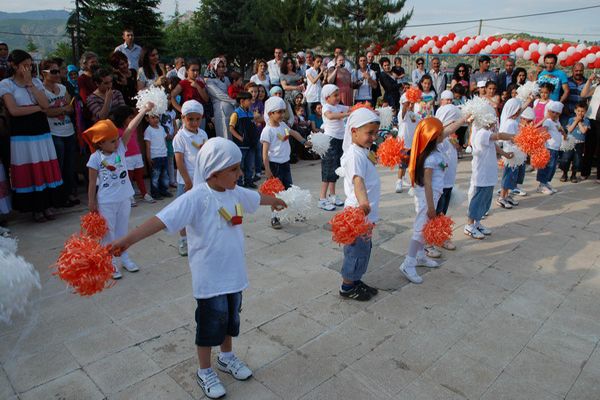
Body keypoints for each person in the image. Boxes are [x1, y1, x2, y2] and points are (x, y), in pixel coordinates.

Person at [110, 137, 286, 399]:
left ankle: (226, 357)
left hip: (234, 275)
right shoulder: (195, 198)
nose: (240, 173)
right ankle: (204, 370)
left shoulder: (234, 192)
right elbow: (160, 221)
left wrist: (274, 200)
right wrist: (126, 241)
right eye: (234, 169)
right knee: (208, 327)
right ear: (214, 172)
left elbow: (255, 197)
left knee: (230, 321)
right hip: (210, 280)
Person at [84, 103, 153, 278]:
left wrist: (144, 110)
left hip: (124, 198)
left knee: (122, 232)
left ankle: (124, 257)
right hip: (106, 201)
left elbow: (131, 127)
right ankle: (110, 262)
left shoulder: (120, 148)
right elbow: (92, 182)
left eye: (117, 139)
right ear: (100, 142)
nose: (117, 142)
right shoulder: (95, 158)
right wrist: (91, 201)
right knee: (109, 233)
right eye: (112, 140)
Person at [0, 50, 63, 222]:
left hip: (40, 130)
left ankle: (48, 204)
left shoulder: (35, 82)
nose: (28, 69)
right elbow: (14, 110)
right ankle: (35, 208)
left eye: (29, 65)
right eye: (24, 65)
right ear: (14, 65)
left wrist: (30, 84)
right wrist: (38, 109)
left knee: (43, 164)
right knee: (29, 165)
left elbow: (45, 104)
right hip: (22, 132)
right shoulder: (6, 84)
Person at [338, 107, 381, 301]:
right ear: (353, 131)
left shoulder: (363, 151)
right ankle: (347, 286)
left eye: (375, 133)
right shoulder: (355, 154)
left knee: (364, 249)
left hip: (365, 214)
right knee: (356, 251)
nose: (373, 137)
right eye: (369, 133)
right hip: (358, 213)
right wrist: (364, 203)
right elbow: (357, 181)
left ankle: (355, 280)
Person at [399, 118, 447, 283]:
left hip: (433, 195)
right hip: (428, 197)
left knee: (424, 228)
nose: (443, 134)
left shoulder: (435, 152)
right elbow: (427, 183)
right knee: (420, 230)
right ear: (433, 137)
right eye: (440, 132)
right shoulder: (430, 159)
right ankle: (408, 263)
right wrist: (431, 207)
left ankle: (420, 256)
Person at [464, 107, 516, 240]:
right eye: (493, 122)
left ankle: (477, 223)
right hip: (481, 173)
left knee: (485, 200)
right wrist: (513, 136)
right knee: (478, 199)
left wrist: (504, 154)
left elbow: (494, 144)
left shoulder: (487, 134)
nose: (494, 124)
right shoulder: (482, 133)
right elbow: (498, 136)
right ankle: (469, 225)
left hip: (489, 172)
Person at [260, 96, 309, 229]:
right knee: (276, 193)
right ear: (270, 113)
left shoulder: (282, 125)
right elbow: (264, 153)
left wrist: (304, 141)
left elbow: (293, 133)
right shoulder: (267, 131)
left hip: (285, 163)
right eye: (279, 112)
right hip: (274, 165)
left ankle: (293, 211)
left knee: (289, 189)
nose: (283, 115)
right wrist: (267, 169)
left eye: (283, 111)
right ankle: (275, 217)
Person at [41, 58, 79, 208]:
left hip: (68, 130)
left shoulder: (62, 88)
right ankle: (58, 197)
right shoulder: (41, 90)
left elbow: (70, 108)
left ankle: (68, 194)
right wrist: (61, 109)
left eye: (58, 71)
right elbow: (46, 112)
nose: (58, 74)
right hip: (54, 132)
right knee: (58, 166)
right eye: (54, 71)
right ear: (44, 73)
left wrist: (58, 110)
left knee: (69, 166)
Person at [173, 100, 209, 255]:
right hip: (186, 181)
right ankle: (183, 240)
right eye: (190, 119)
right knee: (184, 210)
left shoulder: (203, 134)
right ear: (183, 118)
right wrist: (187, 180)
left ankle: (199, 238)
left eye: (197, 119)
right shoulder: (180, 137)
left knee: (201, 209)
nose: (194, 122)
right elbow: (179, 161)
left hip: (202, 179)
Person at [434, 100, 465, 252]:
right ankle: (430, 241)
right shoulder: (438, 139)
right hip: (439, 185)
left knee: (442, 212)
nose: (456, 127)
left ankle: (439, 236)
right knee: (437, 213)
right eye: (454, 122)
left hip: (448, 183)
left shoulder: (448, 139)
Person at [111, 106, 154, 205]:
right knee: (128, 178)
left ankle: (144, 193)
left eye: (132, 117)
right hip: (126, 157)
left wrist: (145, 109)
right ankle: (129, 196)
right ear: (122, 118)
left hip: (137, 155)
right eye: (130, 118)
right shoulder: (117, 130)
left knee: (140, 176)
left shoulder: (133, 128)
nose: (132, 120)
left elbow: (136, 122)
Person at [496, 98, 523, 209]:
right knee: (508, 175)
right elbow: (510, 138)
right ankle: (502, 197)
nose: (518, 113)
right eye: (516, 111)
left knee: (513, 176)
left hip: (515, 152)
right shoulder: (510, 123)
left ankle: (507, 196)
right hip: (510, 153)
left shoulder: (513, 122)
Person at [536, 101, 567, 194]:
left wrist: (563, 132)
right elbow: (543, 130)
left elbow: (562, 133)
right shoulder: (548, 121)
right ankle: (542, 184)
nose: (555, 114)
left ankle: (546, 182)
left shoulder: (558, 122)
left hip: (556, 148)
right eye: (553, 112)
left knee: (552, 167)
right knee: (547, 166)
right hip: (548, 147)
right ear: (549, 112)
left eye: (557, 113)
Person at [229, 91, 258, 188]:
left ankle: (249, 181)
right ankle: (239, 183)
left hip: (251, 144)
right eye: (249, 100)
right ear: (242, 101)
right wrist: (240, 138)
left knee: (250, 165)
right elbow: (231, 128)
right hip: (241, 145)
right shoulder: (236, 113)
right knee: (240, 165)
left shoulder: (250, 113)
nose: (251, 102)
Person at [206, 58, 237, 139]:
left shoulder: (226, 79)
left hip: (230, 108)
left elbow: (231, 91)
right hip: (220, 109)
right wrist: (234, 101)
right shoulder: (210, 81)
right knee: (223, 133)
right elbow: (219, 95)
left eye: (223, 66)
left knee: (231, 133)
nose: (221, 69)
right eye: (218, 67)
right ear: (214, 68)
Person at [395, 94, 420, 193]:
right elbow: (404, 112)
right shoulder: (402, 113)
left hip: (413, 144)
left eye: (412, 103)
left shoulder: (415, 115)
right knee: (402, 164)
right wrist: (405, 105)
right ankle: (399, 181)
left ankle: (412, 183)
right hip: (403, 144)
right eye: (408, 103)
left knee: (412, 165)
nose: (410, 105)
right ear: (403, 104)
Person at [144, 113, 173, 200]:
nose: (155, 119)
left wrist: (166, 151)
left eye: (157, 117)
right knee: (155, 176)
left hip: (163, 155)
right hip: (155, 156)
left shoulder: (161, 128)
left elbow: (164, 141)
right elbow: (147, 145)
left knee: (164, 175)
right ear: (147, 119)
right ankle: (155, 193)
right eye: (153, 117)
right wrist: (148, 157)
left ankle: (163, 190)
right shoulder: (148, 130)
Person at [560, 101, 590, 183]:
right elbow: (569, 129)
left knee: (577, 160)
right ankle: (564, 173)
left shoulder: (586, 121)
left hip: (579, 144)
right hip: (570, 142)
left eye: (582, 111)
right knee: (566, 158)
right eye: (578, 111)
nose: (580, 113)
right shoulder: (570, 120)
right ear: (575, 111)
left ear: (585, 112)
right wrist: (576, 121)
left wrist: (579, 122)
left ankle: (574, 174)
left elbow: (583, 131)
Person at [580, 73, 600, 181]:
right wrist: (589, 81)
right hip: (591, 119)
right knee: (589, 147)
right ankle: (585, 172)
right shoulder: (596, 86)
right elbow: (583, 94)